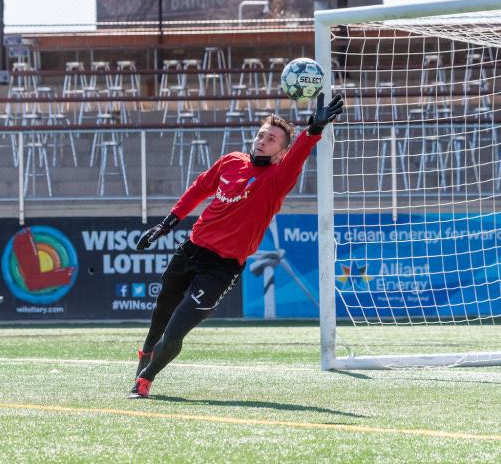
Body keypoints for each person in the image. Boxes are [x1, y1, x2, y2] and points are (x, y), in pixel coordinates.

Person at [129, 92, 344, 398]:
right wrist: (166, 224)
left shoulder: (278, 177)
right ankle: (147, 355)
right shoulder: (232, 161)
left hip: (222, 267)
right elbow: (199, 188)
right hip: (191, 248)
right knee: (160, 314)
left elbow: (298, 156)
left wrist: (313, 131)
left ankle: (145, 381)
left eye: (271, 139)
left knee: (177, 328)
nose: (262, 141)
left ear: (281, 151)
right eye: (261, 135)